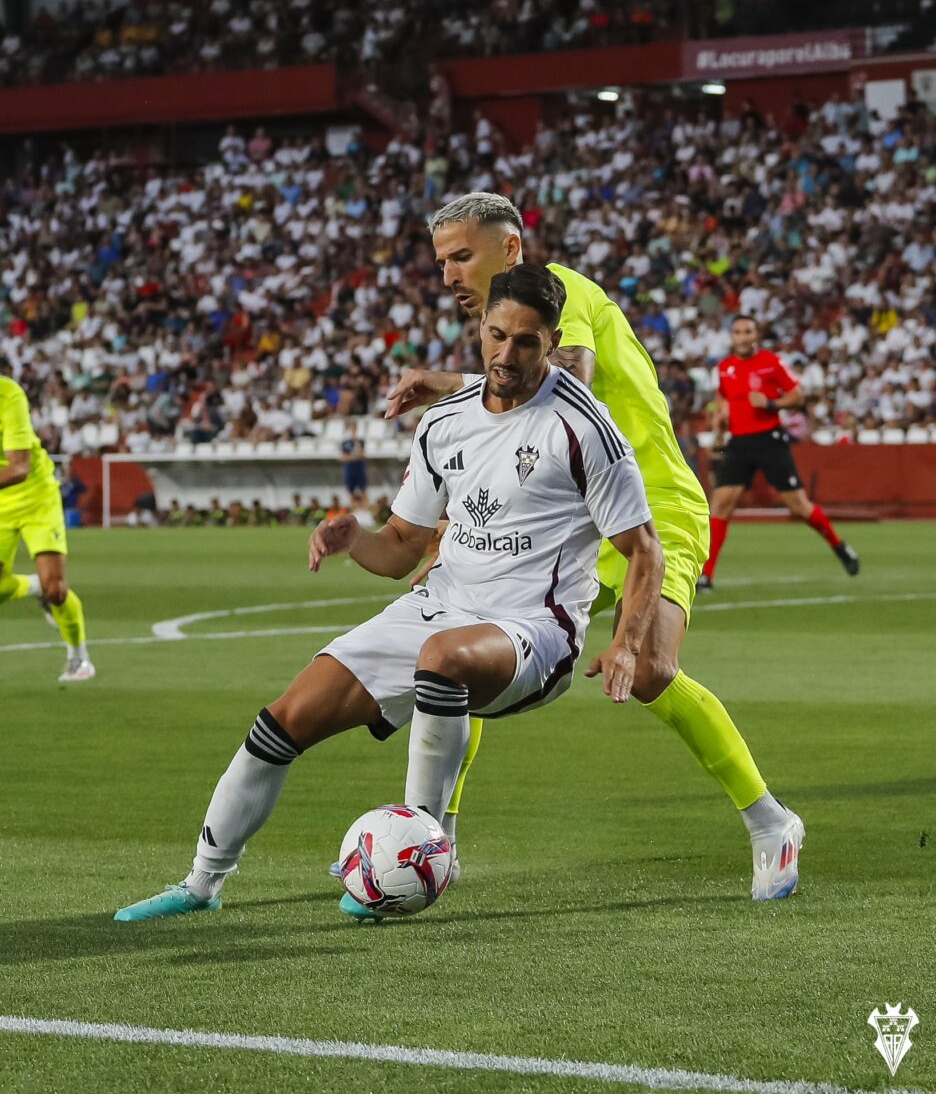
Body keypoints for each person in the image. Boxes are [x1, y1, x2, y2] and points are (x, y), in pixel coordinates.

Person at [113, 266, 664, 922]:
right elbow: (402, 545)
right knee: (283, 718)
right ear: (480, 330)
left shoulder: (584, 428)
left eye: (526, 342)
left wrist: (627, 643)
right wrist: (355, 539)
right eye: (496, 336)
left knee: (442, 657)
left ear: (552, 343)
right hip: (439, 607)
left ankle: (420, 857)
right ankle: (201, 885)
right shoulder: (445, 423)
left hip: (535, 631)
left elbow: (644, 552)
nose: (505, 355)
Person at [384, 192, 804, 901]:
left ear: (511, 249)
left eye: (463, 257)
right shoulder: (499, 333)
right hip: (568, 526)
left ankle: (772, 822)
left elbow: (568, 382)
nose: (450, 276)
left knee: (648, 671)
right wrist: (456, 533)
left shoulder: (565, 291)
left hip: (653, 511)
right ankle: (437, 839)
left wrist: (451, 385)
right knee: (464, 654)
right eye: (442, 262)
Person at [697, 315, 860, 589]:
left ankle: (840, 546)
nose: (743, 336)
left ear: (755, 334)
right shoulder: (726, 368)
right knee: (721, 505)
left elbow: (797, 395)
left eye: (747, 331)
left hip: (769, 439)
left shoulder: (771, 363)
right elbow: (722, 398)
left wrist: (771, 404)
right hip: (738, 442)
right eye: (738, 332)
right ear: (732, 337)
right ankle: (707, 575)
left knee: (799, 506)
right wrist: (719, 425)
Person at [0, 374, 94, 682]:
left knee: (56, 589)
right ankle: (33, 586)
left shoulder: (8, 394)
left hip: (35, 495)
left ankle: (79, 658)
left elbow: (19, 468)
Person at [340, 419, 367, 503]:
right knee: (350, 490)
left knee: (363, 489)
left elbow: (361, 455)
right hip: (349, 468)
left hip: (359, 467)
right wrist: (354, 457)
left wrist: (352, 457)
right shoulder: (345, 442)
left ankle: (365, 510)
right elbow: (343, 457)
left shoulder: (360, 441)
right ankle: (352, 508)